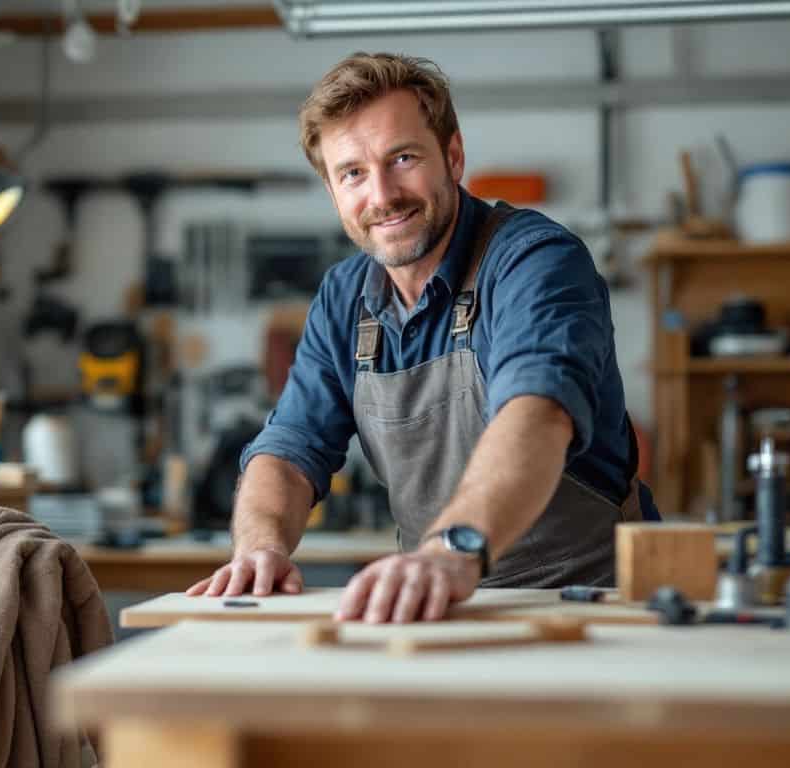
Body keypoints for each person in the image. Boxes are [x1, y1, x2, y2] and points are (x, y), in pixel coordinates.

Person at [186, 52, 658, 623]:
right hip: (440, 606)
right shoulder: (344, 298)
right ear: (333, 191)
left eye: (403, 158)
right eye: (352, 173)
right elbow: (288, 449)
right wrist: (260, 545)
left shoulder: (533, 261)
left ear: (452, 156)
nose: (382, 195)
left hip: (592, 609)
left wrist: (450, 550)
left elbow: (537, 413)